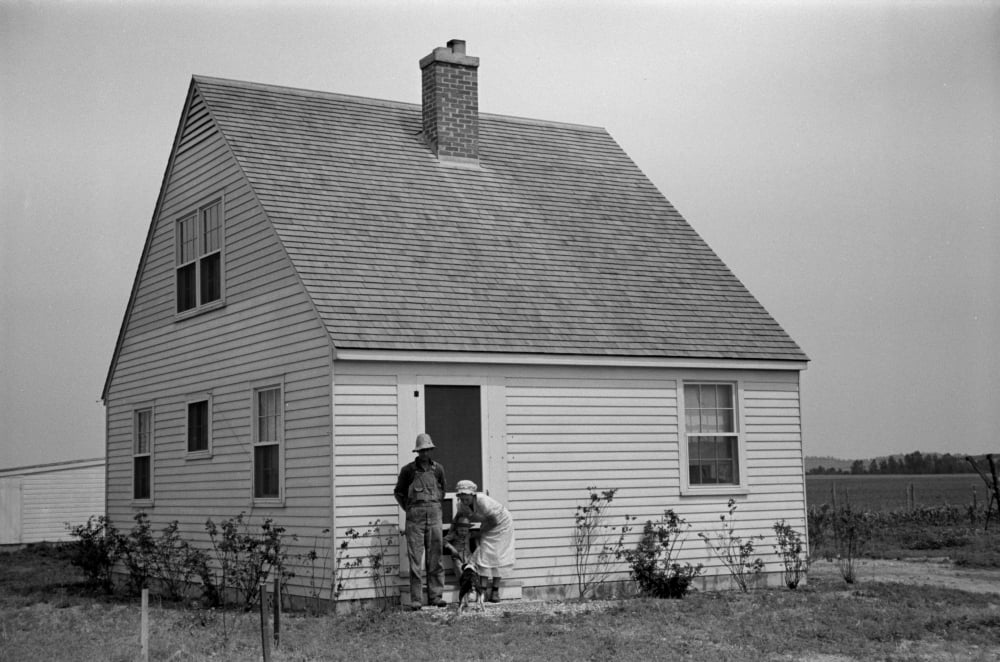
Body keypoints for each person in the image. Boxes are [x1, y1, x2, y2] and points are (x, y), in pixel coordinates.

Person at [394, 433, 447, 610]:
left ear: (431, 450)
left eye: (427, 450)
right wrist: (409, 509)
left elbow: (442, 492)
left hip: (434, 517)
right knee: (415, 560)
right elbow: (399, 492)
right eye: (421, 451)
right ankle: (416, 599)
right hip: (415, 519)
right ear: (417, 451)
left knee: (435, 557)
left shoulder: (438, 469)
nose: (424, 453)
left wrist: (434, 507)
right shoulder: (408, 470)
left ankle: (436, 596)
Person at [454, 479, 515, 603]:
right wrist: (453, 532)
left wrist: (478, 533)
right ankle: (482, 590)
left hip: (502, 524)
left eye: (467, 499)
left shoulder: (482, 500)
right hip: (488, 524)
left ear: (472, 495)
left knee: (498, 556)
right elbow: (458, 519)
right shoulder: (461, 505)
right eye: (462, 498)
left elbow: (494, 521)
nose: (465, 502)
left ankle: (495, 591)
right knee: (484, 555)